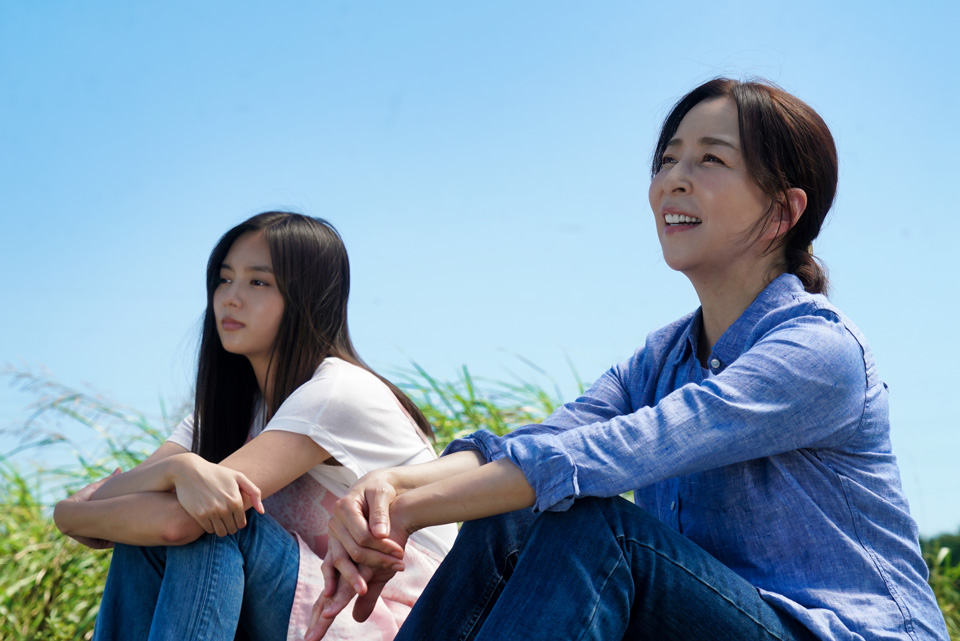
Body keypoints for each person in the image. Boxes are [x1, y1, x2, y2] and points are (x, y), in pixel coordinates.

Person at [310, 79, 950, 641]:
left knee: (598, 529)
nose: (674, 179)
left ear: (782, 210)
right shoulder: (663, 356)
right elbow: (549, 440)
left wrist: (413, 511)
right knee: (508, 513)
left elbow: (622, 449)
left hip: (840, 632)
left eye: (711, 159)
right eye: (668, 159)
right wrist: (389, 490)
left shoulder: (818, 350)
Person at [53, 212, 457, 641]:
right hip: (311, 608)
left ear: (307, 297)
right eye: (225, 279)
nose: (230, 298)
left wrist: (84, 514)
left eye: (258, 282)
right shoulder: (230, 413)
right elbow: (117, 506)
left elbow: (178, 524)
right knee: (155, 528)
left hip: (395, 620)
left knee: (217, 519)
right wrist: (168, 473)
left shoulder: (337, 392)